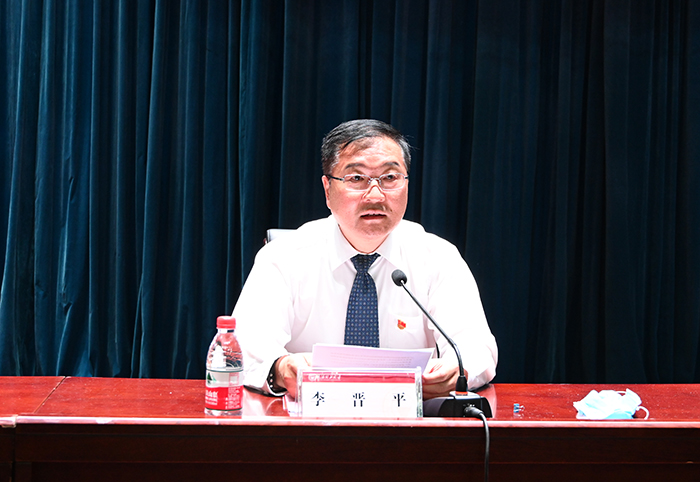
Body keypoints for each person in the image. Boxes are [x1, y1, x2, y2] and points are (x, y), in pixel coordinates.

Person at [233, 119, 497, 399]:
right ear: (327, 189)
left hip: (411, 418)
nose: (375, 195)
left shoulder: (438, 257)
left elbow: (476, 348)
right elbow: (244, 349)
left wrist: (458, 370)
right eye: (356, 179)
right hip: (309, 417)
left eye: (390, 178)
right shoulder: (284, 257)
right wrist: (280, 368)